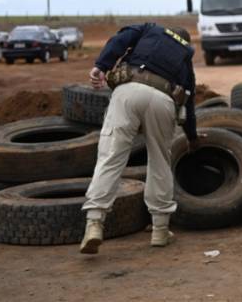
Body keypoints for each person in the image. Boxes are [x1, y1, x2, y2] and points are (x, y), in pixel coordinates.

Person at [80, 23, 200, 254]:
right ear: (185, 41)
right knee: (159, 162)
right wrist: (192, 138)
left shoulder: (150, 29)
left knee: (111, 156)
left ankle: (94, 223)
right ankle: (160, 230)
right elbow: (190, 101)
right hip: (163, 100)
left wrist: (100, 66)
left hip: (129, 91)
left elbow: (120, 40)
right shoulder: (186, 55)